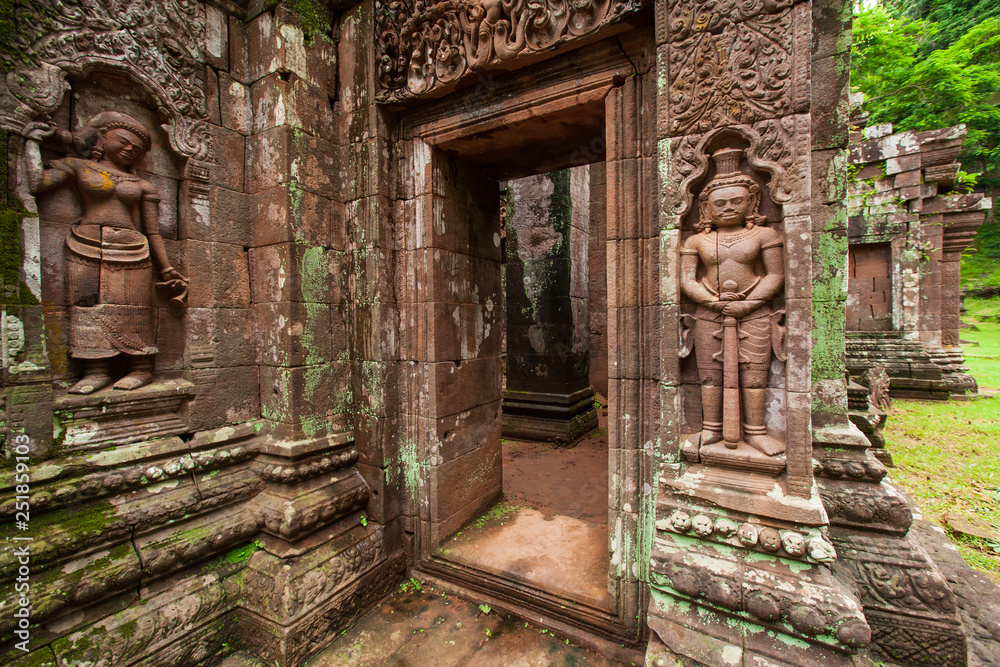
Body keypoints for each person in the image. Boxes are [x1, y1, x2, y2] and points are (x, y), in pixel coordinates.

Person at [24, 112, 187, 394]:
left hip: (133, 249)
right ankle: (95, 370)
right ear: (102, 138)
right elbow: (37, 183)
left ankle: (140, 368)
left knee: (135, 310)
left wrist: (167, 268)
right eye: (123, 142)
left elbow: (153, 232)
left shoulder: (141, 184)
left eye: (135, 150)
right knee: (85, 307)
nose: (128, 150)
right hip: (85, 244)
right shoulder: (79, 166)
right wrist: (30, 142)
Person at [680, 147, 785, 456]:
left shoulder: (765, 235)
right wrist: (715, 304)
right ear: (706, 208)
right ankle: (711, 428)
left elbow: (775, 276)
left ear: (752, 202)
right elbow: (686, 280)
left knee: (754, 376)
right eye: (719, 203)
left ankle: (755, 432)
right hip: (709, 312)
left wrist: (746, 305)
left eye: (736, 201)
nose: (727, 208)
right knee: (710, 375)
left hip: (754, 312)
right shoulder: (695, 240)